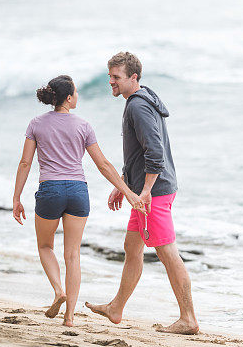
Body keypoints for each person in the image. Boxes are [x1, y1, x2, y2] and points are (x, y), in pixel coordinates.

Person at [12, 74, 144, 327]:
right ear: (69, 98)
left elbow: (25, 162)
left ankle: (58, 290)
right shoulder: (83, 126)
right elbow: (103, 164)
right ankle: (70, 316)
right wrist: (128, 192)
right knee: (73, 255)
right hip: (77, 191)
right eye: (76, 92)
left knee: (45, 246)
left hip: (50, 190)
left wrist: (16, 198)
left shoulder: (36, 124)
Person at [86, 52, 199, 335]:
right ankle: (116, 308)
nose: (110, 82)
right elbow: (139, 152)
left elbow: (155, 153)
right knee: (132, 248)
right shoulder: (142, 99)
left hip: (154, 193)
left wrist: (145, 191)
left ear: (133, 78)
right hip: (145, 191)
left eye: (116, 77)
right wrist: (123, 184)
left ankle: (188, 319)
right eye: (109, 76)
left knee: (168, 253)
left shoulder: (138, 107)